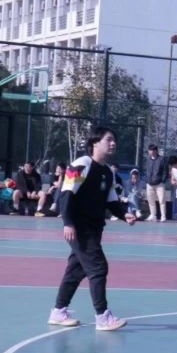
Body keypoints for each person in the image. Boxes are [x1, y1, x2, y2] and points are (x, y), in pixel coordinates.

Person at [48, 126, 136, 331]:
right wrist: (68, 223)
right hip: (79, 228)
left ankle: (58, 312)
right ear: (95, 143)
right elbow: (66, 194)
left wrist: (124, 214)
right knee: (98, 267)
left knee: (76, 271)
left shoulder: (107, 172)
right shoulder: (82, 164)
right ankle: (103, 317)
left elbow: (112, 201)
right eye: (108, 139)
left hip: (95, 228)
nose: (113, 143)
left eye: (114, 140)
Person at [143, 145, 169, 221]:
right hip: (149, 183)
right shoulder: (147, 159)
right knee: (150, 200)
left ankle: (163, 216)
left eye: (152, 150)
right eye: (149, 150)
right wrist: (147, 179)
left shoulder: (162, 159)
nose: (150, 152)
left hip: (159, 184)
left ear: (156, 151)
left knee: (162, 200)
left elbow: (165, 171)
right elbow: (146, 170)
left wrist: (163, 180)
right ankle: (153, 215)